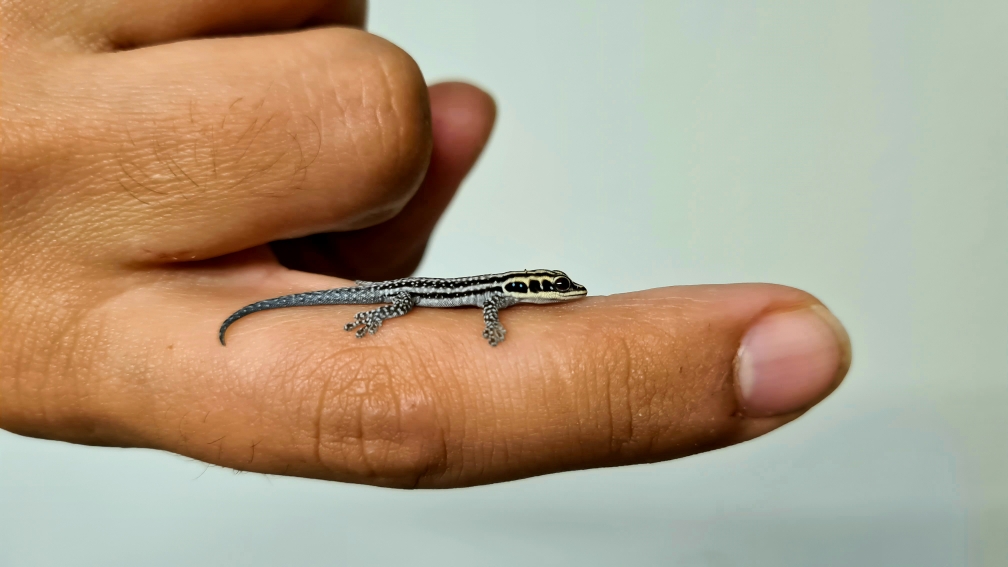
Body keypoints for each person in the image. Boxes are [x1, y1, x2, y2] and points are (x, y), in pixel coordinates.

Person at [0, 0, 850, 487]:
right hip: (405, 300)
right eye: (544, 290)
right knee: (388, 299)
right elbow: (471, 312)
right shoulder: (495, 299)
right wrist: (390, 322)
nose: (549, 295)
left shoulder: (500, 296)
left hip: (400, 296)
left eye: (543, 293)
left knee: (367, 296)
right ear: (526, 291)